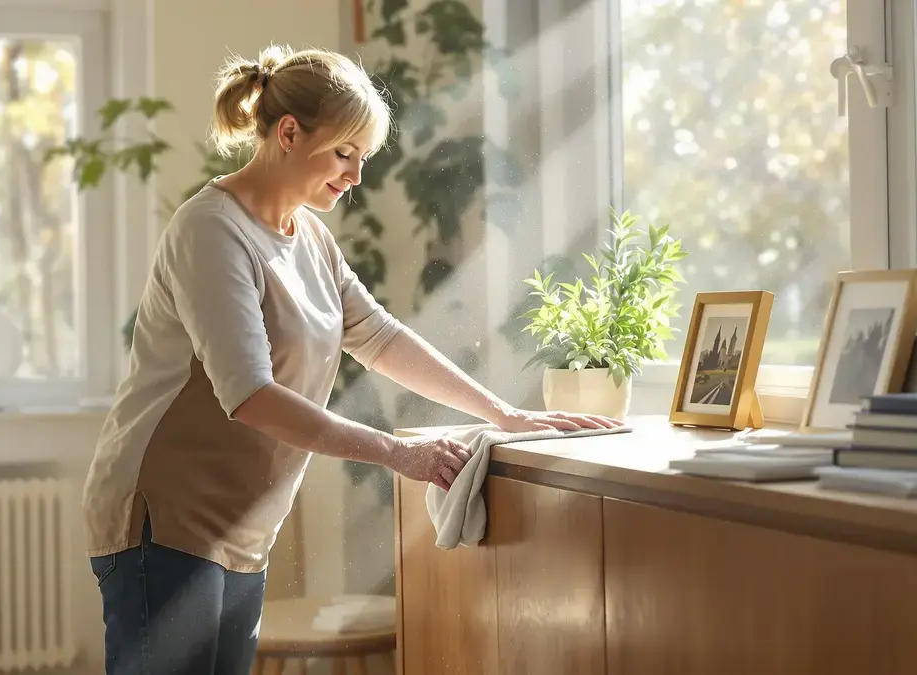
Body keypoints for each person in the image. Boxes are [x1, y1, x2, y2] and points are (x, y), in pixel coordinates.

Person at [81, 44, 622, 675]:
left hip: (238, 529)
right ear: (289, 133)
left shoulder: (309, 237)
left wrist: (503, 413)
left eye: (362, 158)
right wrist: (399, 454)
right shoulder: (211, 231)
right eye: (345, 153)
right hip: (164, 517)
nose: (356, 176)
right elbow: (250, 394)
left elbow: (379, 337)